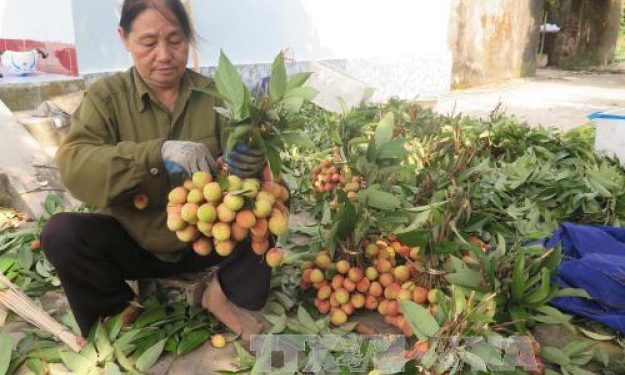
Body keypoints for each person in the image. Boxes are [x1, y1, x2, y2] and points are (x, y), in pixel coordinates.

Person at [41, 0, 270, 343]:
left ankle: (220, 294)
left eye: (175, 40)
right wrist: (153, 154)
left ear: (188, 39)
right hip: (133, 242)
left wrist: (251, 166)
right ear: (124, 38)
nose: (164, 54)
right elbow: (74, 164)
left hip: (206, 241)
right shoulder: (106, 98)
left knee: (270, 205)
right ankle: (118, 312)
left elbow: (251, 175)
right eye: (148, 43)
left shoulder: (217, 96)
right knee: (61, 233)